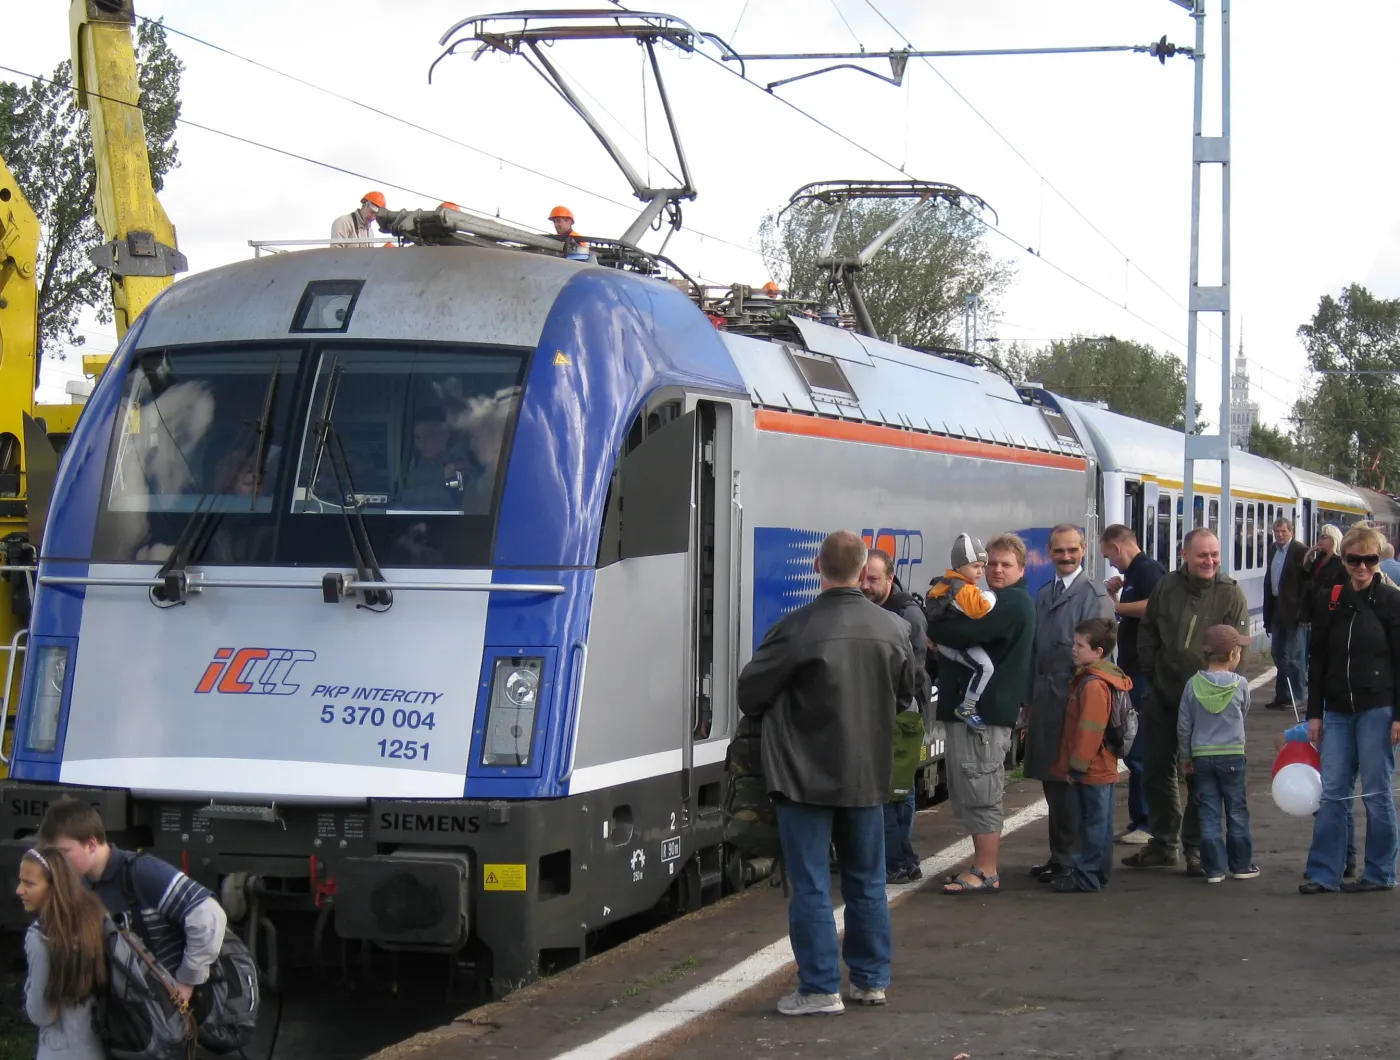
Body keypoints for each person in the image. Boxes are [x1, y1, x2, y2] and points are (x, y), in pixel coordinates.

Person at [737, 531, 913, 1015]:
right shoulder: (894, 628)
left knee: (812, 883)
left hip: (803, 775)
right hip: (867, 774)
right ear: (863, 571)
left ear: (818, 566)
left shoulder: (796, 628)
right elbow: (905, 694)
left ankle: (818, 988)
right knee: (867, 879)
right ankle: (871, 980)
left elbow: (750, 695)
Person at [1125, 527, 1248, 877]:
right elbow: (1147, 631)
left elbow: (1241, 649)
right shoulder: (1167, 586)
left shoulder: (1230, 593)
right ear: (1185, 556)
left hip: (1209, 706)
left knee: (1200, 778)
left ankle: (1195, 848)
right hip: (1164, 694)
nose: (1209, 561)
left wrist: (1225, 692)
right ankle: (1164, 844)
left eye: (1214, 554)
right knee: (1157, 770)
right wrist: (1150, 674)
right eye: (1202, 555)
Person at [928, 534, 1036, 896]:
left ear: (1021, 569)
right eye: (991, 564)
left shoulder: (1012, 603)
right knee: (971, 790)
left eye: (1006, 564)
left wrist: (938, 628)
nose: (997, 570)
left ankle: (987, 870)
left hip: (986, 716)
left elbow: (964, 631)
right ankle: (980, 863)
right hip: (976, 715)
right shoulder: (995, 600)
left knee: (983, 790)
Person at [37, 798, 228, 1002]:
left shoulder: (142, 872)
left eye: (63, 853)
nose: (56, 863)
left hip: (169, 1004)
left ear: (91, 844)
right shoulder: (82, 884)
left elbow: (209, 916)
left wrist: (186, 982)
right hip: (132, 1007)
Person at [1299, 524, 1400, 895]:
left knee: (1375, 791)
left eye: (1368, 560)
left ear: (1378, 561)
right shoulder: (1331, 600)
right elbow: (1319, 658)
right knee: (1334, 792)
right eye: (1354, 560)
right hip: (1338, 708)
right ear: (1344, 560)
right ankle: (1325, 872)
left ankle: (1380, 872)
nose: (1361, 567)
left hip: (1378, 707)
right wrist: (1314, 713)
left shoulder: (1392, 603)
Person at [1026, 524, 1114, 884]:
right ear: (1049, 551)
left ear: (1084, 550)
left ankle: (1075, 861)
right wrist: (1028, 701)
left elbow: (1103, 656)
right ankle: (1060, 855)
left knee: (1074, 784)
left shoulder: (1094, 596)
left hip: (1077, 704)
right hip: (1047, 702)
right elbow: (1036, 650)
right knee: (1052, 781)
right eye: (1059, 551)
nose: (1065, 557)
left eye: (1072, 550)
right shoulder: (1045, 593)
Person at [860, 548, 930, 885]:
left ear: (890, 578)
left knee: (893, 794)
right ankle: (899, 860)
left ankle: (898, 862)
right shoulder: (874, 609)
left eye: (873, 579)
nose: (866, 586)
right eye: (862, 578)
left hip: (900, 716)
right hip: (886, 714)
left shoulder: (906, 616)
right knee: (894, 793)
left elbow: (910, 673)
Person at [1048, 618, 1131, 894]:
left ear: (1097, 652)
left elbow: (1089, 730)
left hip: (1092, 768)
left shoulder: (1094, 685)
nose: (1073, 649)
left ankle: (1086, 876)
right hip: (1102, 765)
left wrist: (1076, 767)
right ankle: (1098, 875)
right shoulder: (1102, 678)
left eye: (1079, 645)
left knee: (1091, 825)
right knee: (1101, 824)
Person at [1100, 524, 1166, 845]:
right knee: (1132, 745)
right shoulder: (1134, 575)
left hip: (1143, 673)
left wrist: (1114, 606)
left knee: (1139, 747)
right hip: (1132, 671)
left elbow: (1156, 606)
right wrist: (1115, 595)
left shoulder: (1148, 570)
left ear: (1117, 547)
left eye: (1109, 556)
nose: (1111, 564)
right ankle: (1139, 819)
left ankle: (1147, 821)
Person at [1178, 625, 1258, 884]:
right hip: (1233, 755)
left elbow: (1184, 725)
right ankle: (1241, 865)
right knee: (1236, 810)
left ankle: (1214, 869)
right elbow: (1242, 713)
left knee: (1208, 812)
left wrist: (1185, 756)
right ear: (1234, 654)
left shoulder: (1192, 684)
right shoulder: (1241, 684)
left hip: (1201, 757)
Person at [16, 847, 107, 1060]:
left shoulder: (41, 938)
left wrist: (28, 990)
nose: (19, 890)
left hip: (59, 1051)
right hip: (96, 1046)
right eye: (20, 881)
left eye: (29, 883)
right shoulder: (93, 919)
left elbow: (43, 1013)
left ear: (53, 887)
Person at [924, 533, 998, 730]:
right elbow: (979, 609)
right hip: (956, 642)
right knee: (985, 668)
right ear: (959, 566)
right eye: (976, 566)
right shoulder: (962, 588)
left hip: (944, 643)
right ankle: (968, 706)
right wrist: (991, 596)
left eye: (982, 567)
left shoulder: (945, 583)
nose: (980, 572)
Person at [1263, 517, 1310, 710]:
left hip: (1295, 612)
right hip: (1276, 608)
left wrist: (1304, 612)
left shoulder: (1300, 551)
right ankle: (1282, 694)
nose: (1280, 535)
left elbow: (1307, 584)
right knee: (1278, 653)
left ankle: (1298, 696)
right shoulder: (1274, 549)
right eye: (1277, 532)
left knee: (1294, 656)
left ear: (1291, 532)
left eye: (1283, 532)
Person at [399, 406, 470, 510]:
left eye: (428, 437)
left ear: (446, 434)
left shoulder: (460, 469)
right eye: (418, 438)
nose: (422, 444)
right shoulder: (410, 469)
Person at [1298, 524, 1344, 626]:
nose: (1319, 540)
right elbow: (1307, 578)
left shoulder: (1339, 562)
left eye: (1323, 537)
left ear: (1333, 540)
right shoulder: (1320, 559)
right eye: (1319, 536)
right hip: (1314, 608)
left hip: (1328, 610)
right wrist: (1307, 558)